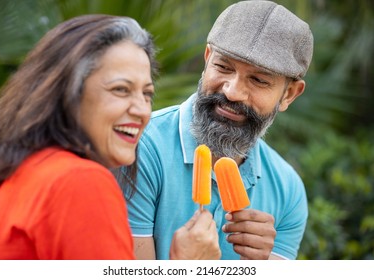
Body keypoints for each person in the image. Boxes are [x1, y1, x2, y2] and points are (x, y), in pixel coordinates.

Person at [0, 15, 221, 260]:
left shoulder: (14, 174)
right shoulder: (79, 182)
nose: (142, 110)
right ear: (68, 92)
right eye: (121, 89)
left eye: (147, 94)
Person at [125, 0, 314, 260]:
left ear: (289, 95)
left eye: (258, 80)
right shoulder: (138, 148)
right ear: (207, 58)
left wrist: (265, 265)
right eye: (223, 67)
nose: (232, 91)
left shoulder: (288, 190)